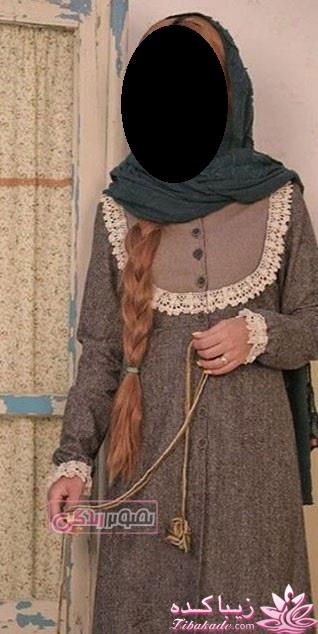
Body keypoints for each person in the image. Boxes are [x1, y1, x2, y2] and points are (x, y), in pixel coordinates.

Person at [47, 12, 318, 633]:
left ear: (230, 90)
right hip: (147, 463)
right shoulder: (120, 209)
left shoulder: (280, 198)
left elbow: (314, 320)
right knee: (141, 612)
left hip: (255, 471)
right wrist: (73, 460)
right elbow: (102, 352)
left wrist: (259, 334)